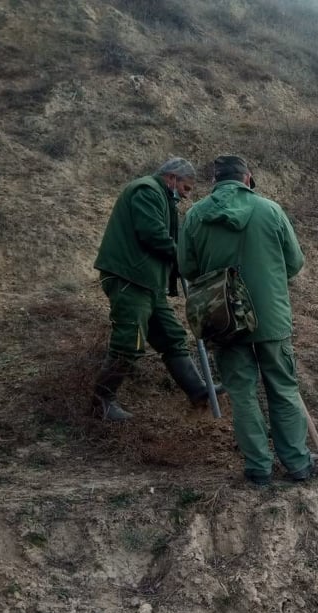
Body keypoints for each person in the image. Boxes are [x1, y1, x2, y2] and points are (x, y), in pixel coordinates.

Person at [178, 155, 314, 487]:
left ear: (215, 181)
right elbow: (294, 263)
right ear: (248, 178)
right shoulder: (270, 210)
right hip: (271, 316)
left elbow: (187, 269)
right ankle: (297, 464)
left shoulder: (195, 215)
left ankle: (259, 470)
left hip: (223, 318)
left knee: (242, 393)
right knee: (282, 388)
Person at [92, 157, 220, 421]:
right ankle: (102, 402)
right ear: (172, 178)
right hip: (130, 278)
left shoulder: (161, 197)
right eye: (185, 188)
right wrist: (184, 257)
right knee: (129, 340)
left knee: (171, 336)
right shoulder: (147, 190)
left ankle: (198, 391)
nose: (186, 196)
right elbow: (152, 233)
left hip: (148, 283)